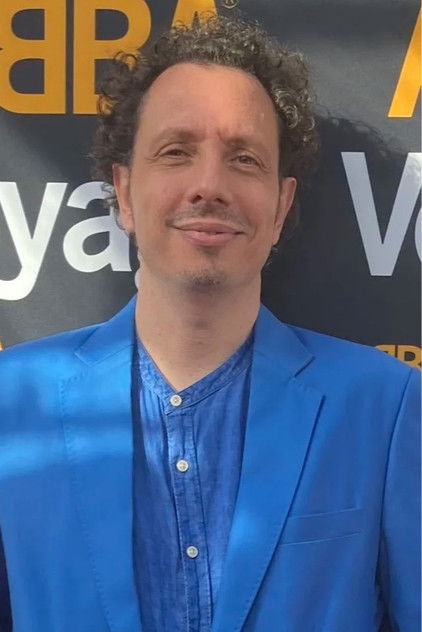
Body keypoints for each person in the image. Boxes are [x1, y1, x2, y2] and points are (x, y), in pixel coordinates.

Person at [0, 14, 419, 632]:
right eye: (176, 152)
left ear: (280, 206)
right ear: (123, 193)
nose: (209, 185)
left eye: (244, 159)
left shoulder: (384, 404)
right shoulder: (11, 402)